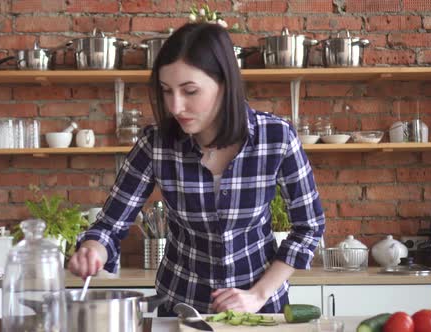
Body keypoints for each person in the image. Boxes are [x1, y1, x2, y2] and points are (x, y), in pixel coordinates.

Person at [68, 22, 325, 316]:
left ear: (224, 84)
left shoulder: (277, 137)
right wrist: (92, 250)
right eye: (166, 91)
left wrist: (257, 295)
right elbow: (109, 227)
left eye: (190, 91)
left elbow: (309, 227)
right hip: (181, 309)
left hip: (262, 310)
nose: (175, 107)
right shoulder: (156, 144)